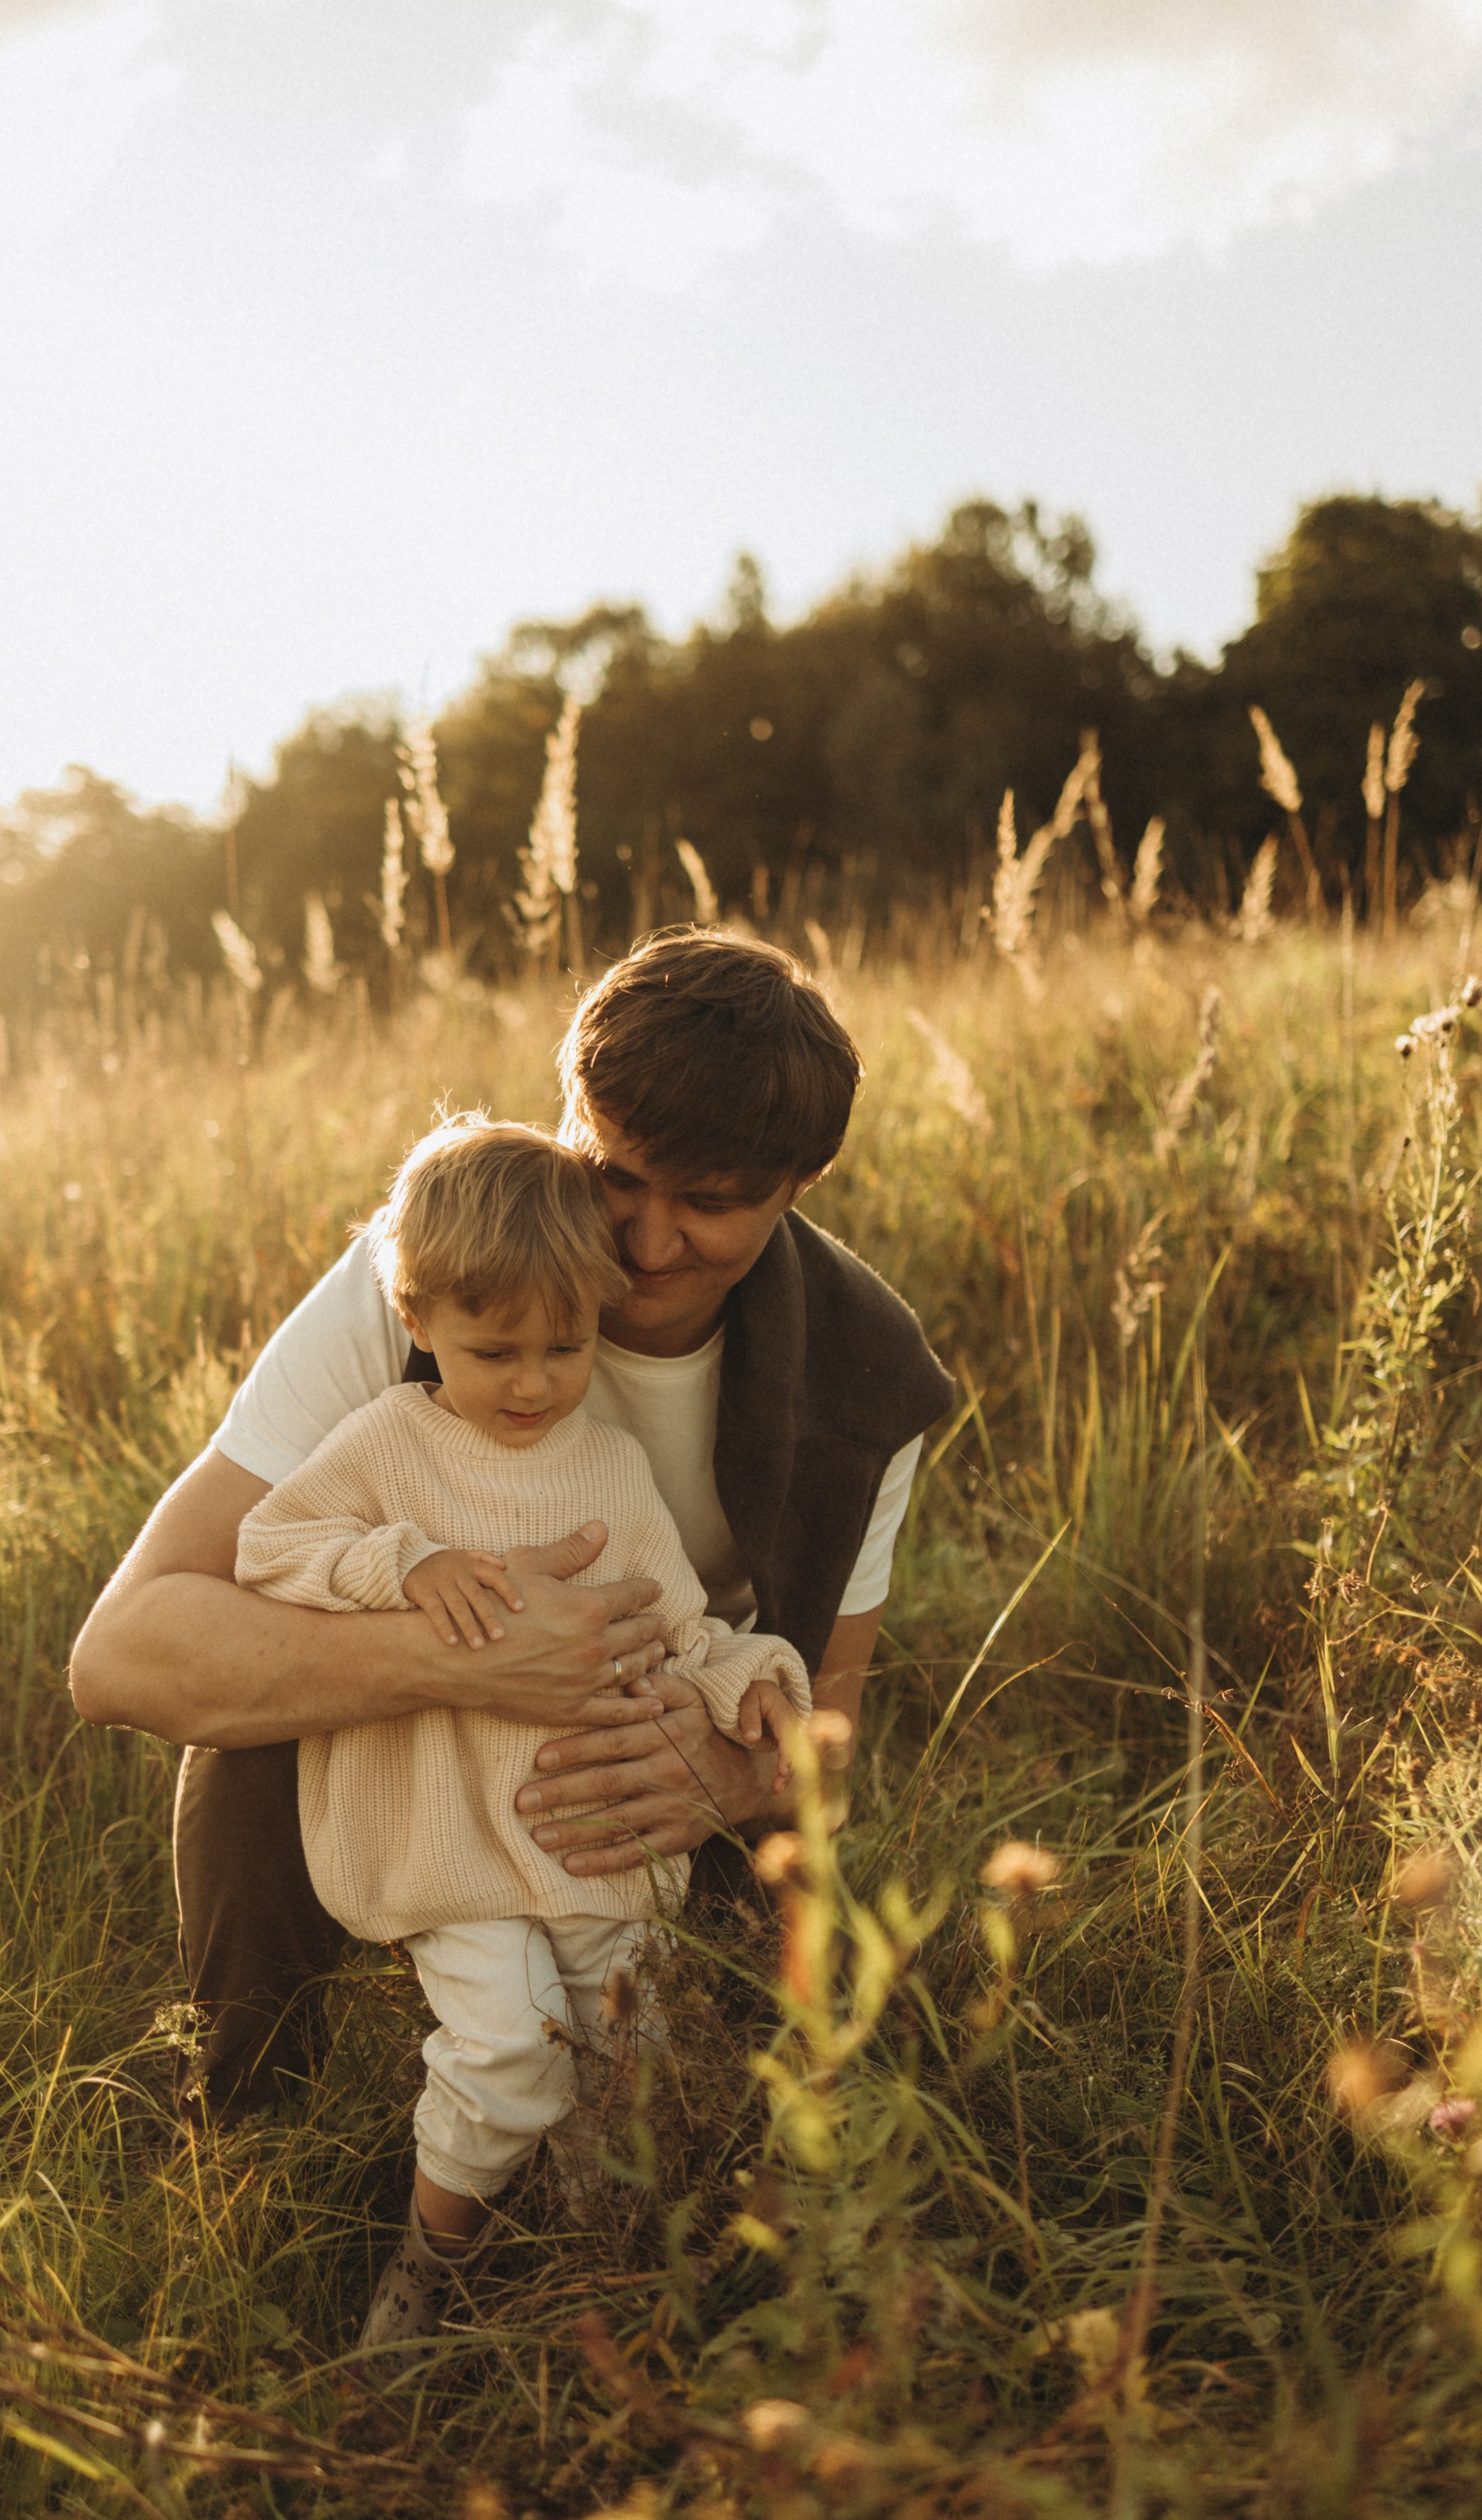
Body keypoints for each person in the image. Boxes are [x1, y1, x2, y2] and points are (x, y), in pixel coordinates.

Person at [69, 927, 956, 2121]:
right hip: (395, 1738)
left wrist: (738, 1777)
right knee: (240, 1746)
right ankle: (250, 2132)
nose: (645, 1245)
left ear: (802, 1185)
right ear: (572, 1114)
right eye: (620, 1175)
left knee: (730, 2093)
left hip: (645, 1744)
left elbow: (833, 1724)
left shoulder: (869, 1371)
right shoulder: (427, 1275)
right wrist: (459, 1656)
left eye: (710, 1204)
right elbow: (121, 1654)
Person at [233, 1114, 810, 2343]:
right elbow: (270, 1548)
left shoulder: (604, 1462)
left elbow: (680, 1626)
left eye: (569, 1345)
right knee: (506, 2053)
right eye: (495, 1351)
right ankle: (426, 2274)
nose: (537, 1383)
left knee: (633, 2057)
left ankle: (594, 2272)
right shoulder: (390, 1443)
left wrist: (751, 1678)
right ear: (417, 1318)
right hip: (449, 1838)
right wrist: (406, 1560)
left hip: (591, 1834)